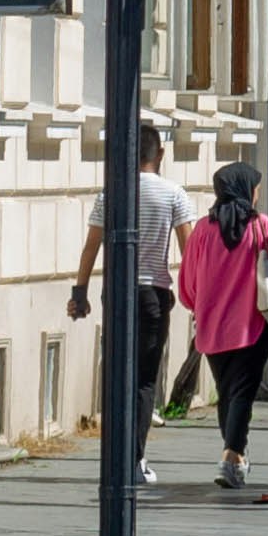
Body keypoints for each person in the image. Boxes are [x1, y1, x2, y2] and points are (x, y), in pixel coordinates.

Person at [69, 120, 181, 488]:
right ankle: (135, 457)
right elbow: (190, 248)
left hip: (116, 294)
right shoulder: (174, 195)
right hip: (154, 294)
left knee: (116, 373)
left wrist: (79, 293)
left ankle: (115, 456)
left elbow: (91, 246)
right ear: (159, 154)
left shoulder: (111, 195)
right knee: (145, 380)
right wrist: (189, 291)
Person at [174, 161, 268, 495]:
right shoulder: (260, 226)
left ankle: (234, 456)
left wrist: (202, 305)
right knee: (241, 393)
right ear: (246, 190)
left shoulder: (201, 230)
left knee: (228, 392)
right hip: (252, 326)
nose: (257, 194)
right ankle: (232, 455)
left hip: (211, 328)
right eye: (255, 188)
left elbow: (187, 284)